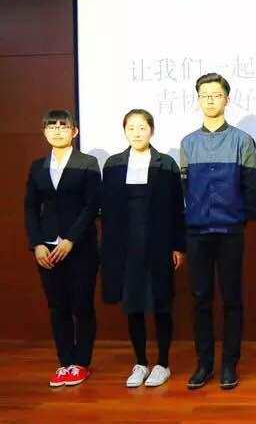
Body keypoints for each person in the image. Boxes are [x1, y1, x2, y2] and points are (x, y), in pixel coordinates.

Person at [181, 73, 256, 390]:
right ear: (198, 99)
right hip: (197, 231)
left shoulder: (242, 140)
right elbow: (184, 187)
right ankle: (204, 364)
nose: (210, 100)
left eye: (216, 95)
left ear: (227, 99)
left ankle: (229, 363)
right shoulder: (188, 143)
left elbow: (252, 186)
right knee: (200, 299)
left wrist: (239, 216)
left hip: (230, 230)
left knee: (231, 299)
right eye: (205, 95)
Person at [100, 109, 186, 388]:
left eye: (142, 128)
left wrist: (178, 245)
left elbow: (177, 208)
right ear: (124, 131)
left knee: (161, 305)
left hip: (159, 245)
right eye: (131, 128)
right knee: (133, 305)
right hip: (126, 248)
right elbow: (108, 211)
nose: (137, 133)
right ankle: (140, 362)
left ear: (152, 131)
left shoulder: (166, 164)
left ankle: (163, 363)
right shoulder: (113, 164)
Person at [24, 109, 101, 387]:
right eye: (51, 126)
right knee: (58, 307)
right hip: (47, 249)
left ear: (74, 131)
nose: (57, 130)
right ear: (44, 131)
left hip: (80, 247)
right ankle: (65, 363)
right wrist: (36, 244)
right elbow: (30, 207)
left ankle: (81, 363)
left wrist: (71, 239)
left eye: (63, 126)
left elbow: (92, 205)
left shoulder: (88, 163)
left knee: (81, 304)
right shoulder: (37, 166)